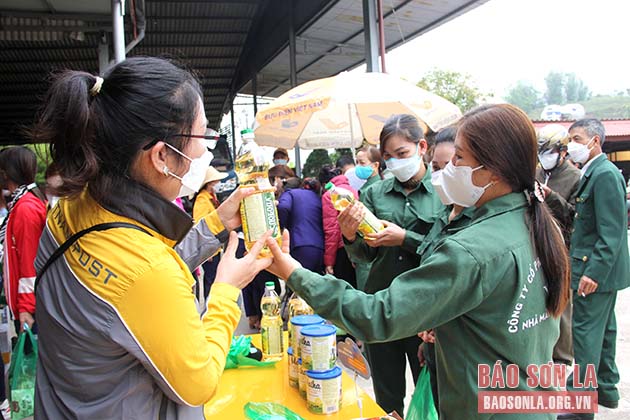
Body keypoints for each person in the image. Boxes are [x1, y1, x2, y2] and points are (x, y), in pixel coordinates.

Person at [266, 104, 570, 420]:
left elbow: (376, 315)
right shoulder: (537, 224)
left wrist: (294, 272)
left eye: (459, 158)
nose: (449, 169)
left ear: (493, 170)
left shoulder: (473, 249)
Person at [31, 57, 272, 419]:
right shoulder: (145, 270)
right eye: (202, 136)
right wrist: (226, 290)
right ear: (161, 155)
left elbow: (136, 280)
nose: (203, 153)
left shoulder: (71, 206)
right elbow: (198, 383)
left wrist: (216, 224)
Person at [335, 114, 443, 415]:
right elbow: (365, 256)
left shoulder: (442, 192)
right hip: (382, 306)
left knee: (432, 393)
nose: (395, 162)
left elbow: (447, 249)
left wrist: (405, 238)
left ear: (421, 147)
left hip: (425, 312)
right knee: (386, 396)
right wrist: (350, 236)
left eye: (402, 153)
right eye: (388, 157)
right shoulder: (374, 194)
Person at [558, 119, 630, 419]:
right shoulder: (594, 172)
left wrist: (593, 273)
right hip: (600, 271)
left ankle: (580, 405)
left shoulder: (604, 174)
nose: (572, 145)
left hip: (594, 271)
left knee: (585, 334)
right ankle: (606, 389)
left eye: (577, 138)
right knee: (605, 331)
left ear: (595, 141)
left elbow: (612, 231)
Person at [535, 123, 581, 367]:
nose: (545, 157)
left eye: (549, 152)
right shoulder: (536, 173)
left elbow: (575, 216)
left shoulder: (575, 177)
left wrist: (551, 196)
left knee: (561, 304)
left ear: (563, 152)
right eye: (541, 152)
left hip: (562, 247)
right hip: (537, 243)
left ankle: (562, 358)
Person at [0, 147, 47, 333]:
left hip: (31, 310)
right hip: (32, 304)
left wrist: (26, 307)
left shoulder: (25, 208)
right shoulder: (24, 202)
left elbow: (29, 260)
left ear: (6, 173)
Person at [193, 167, 229, 299]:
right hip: (209, 246)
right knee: (210, 278)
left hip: (214, 244)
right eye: (216, 181)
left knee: (214, 277)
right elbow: (199, 223)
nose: (219, 183)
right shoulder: (202, 200)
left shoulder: (211, 197)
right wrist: (205, 247)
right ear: (210, 183)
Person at [319, 164, 357, 287]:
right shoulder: (353, 190)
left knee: (344, 290)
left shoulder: (329, 195)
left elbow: (332, 230)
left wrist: (329, 262)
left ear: (324, 184)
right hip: (357, 246)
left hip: (342, 249)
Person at [277, 177, 324, 273]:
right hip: (319, 248)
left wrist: (281, 229)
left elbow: (283, 207)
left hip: (299, 244)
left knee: (296, 280)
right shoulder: (316, 197)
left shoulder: (289, 193)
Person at [353, 146, 383, 291]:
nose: (358, 167)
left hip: (369, 252)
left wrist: (356, 254)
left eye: (362, 163)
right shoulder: (371, 187)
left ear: (375, 165)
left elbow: (363, 225)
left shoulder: (372, 190)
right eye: (357, 162)